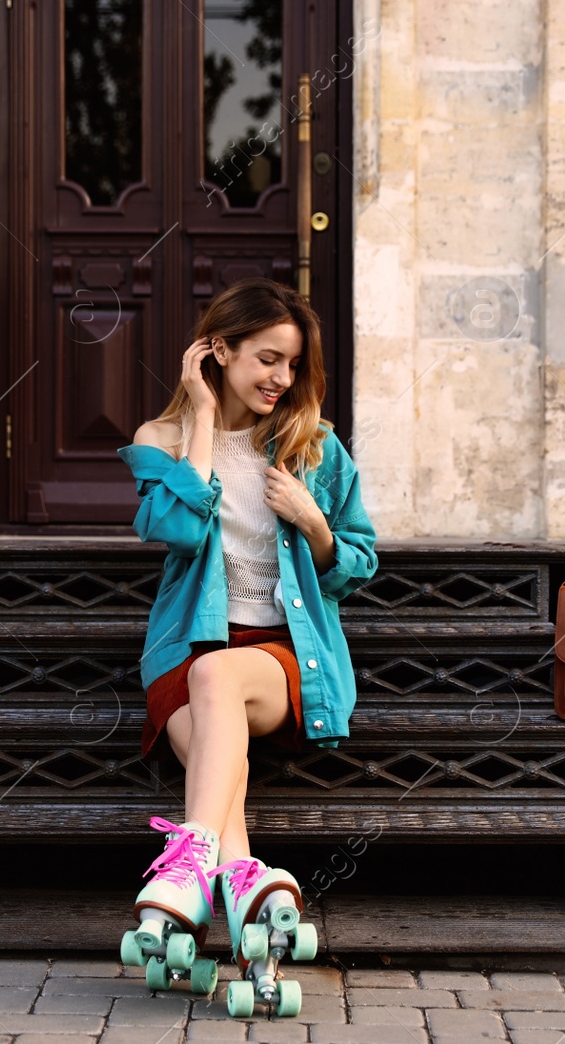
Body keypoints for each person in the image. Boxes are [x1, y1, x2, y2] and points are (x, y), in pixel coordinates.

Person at [114, 278, 378, 1015]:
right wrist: (201, 417)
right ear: (218, 351)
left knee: (222, 676)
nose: (281, 379)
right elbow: (176, 529)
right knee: (208, 693)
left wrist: (315, 522)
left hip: (281, 657)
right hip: (184, 654)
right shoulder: (159, 440)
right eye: (266, 358)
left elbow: (358, 562)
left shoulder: (314, 448)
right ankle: (243, 881)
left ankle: (187, 855)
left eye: (292, 364)